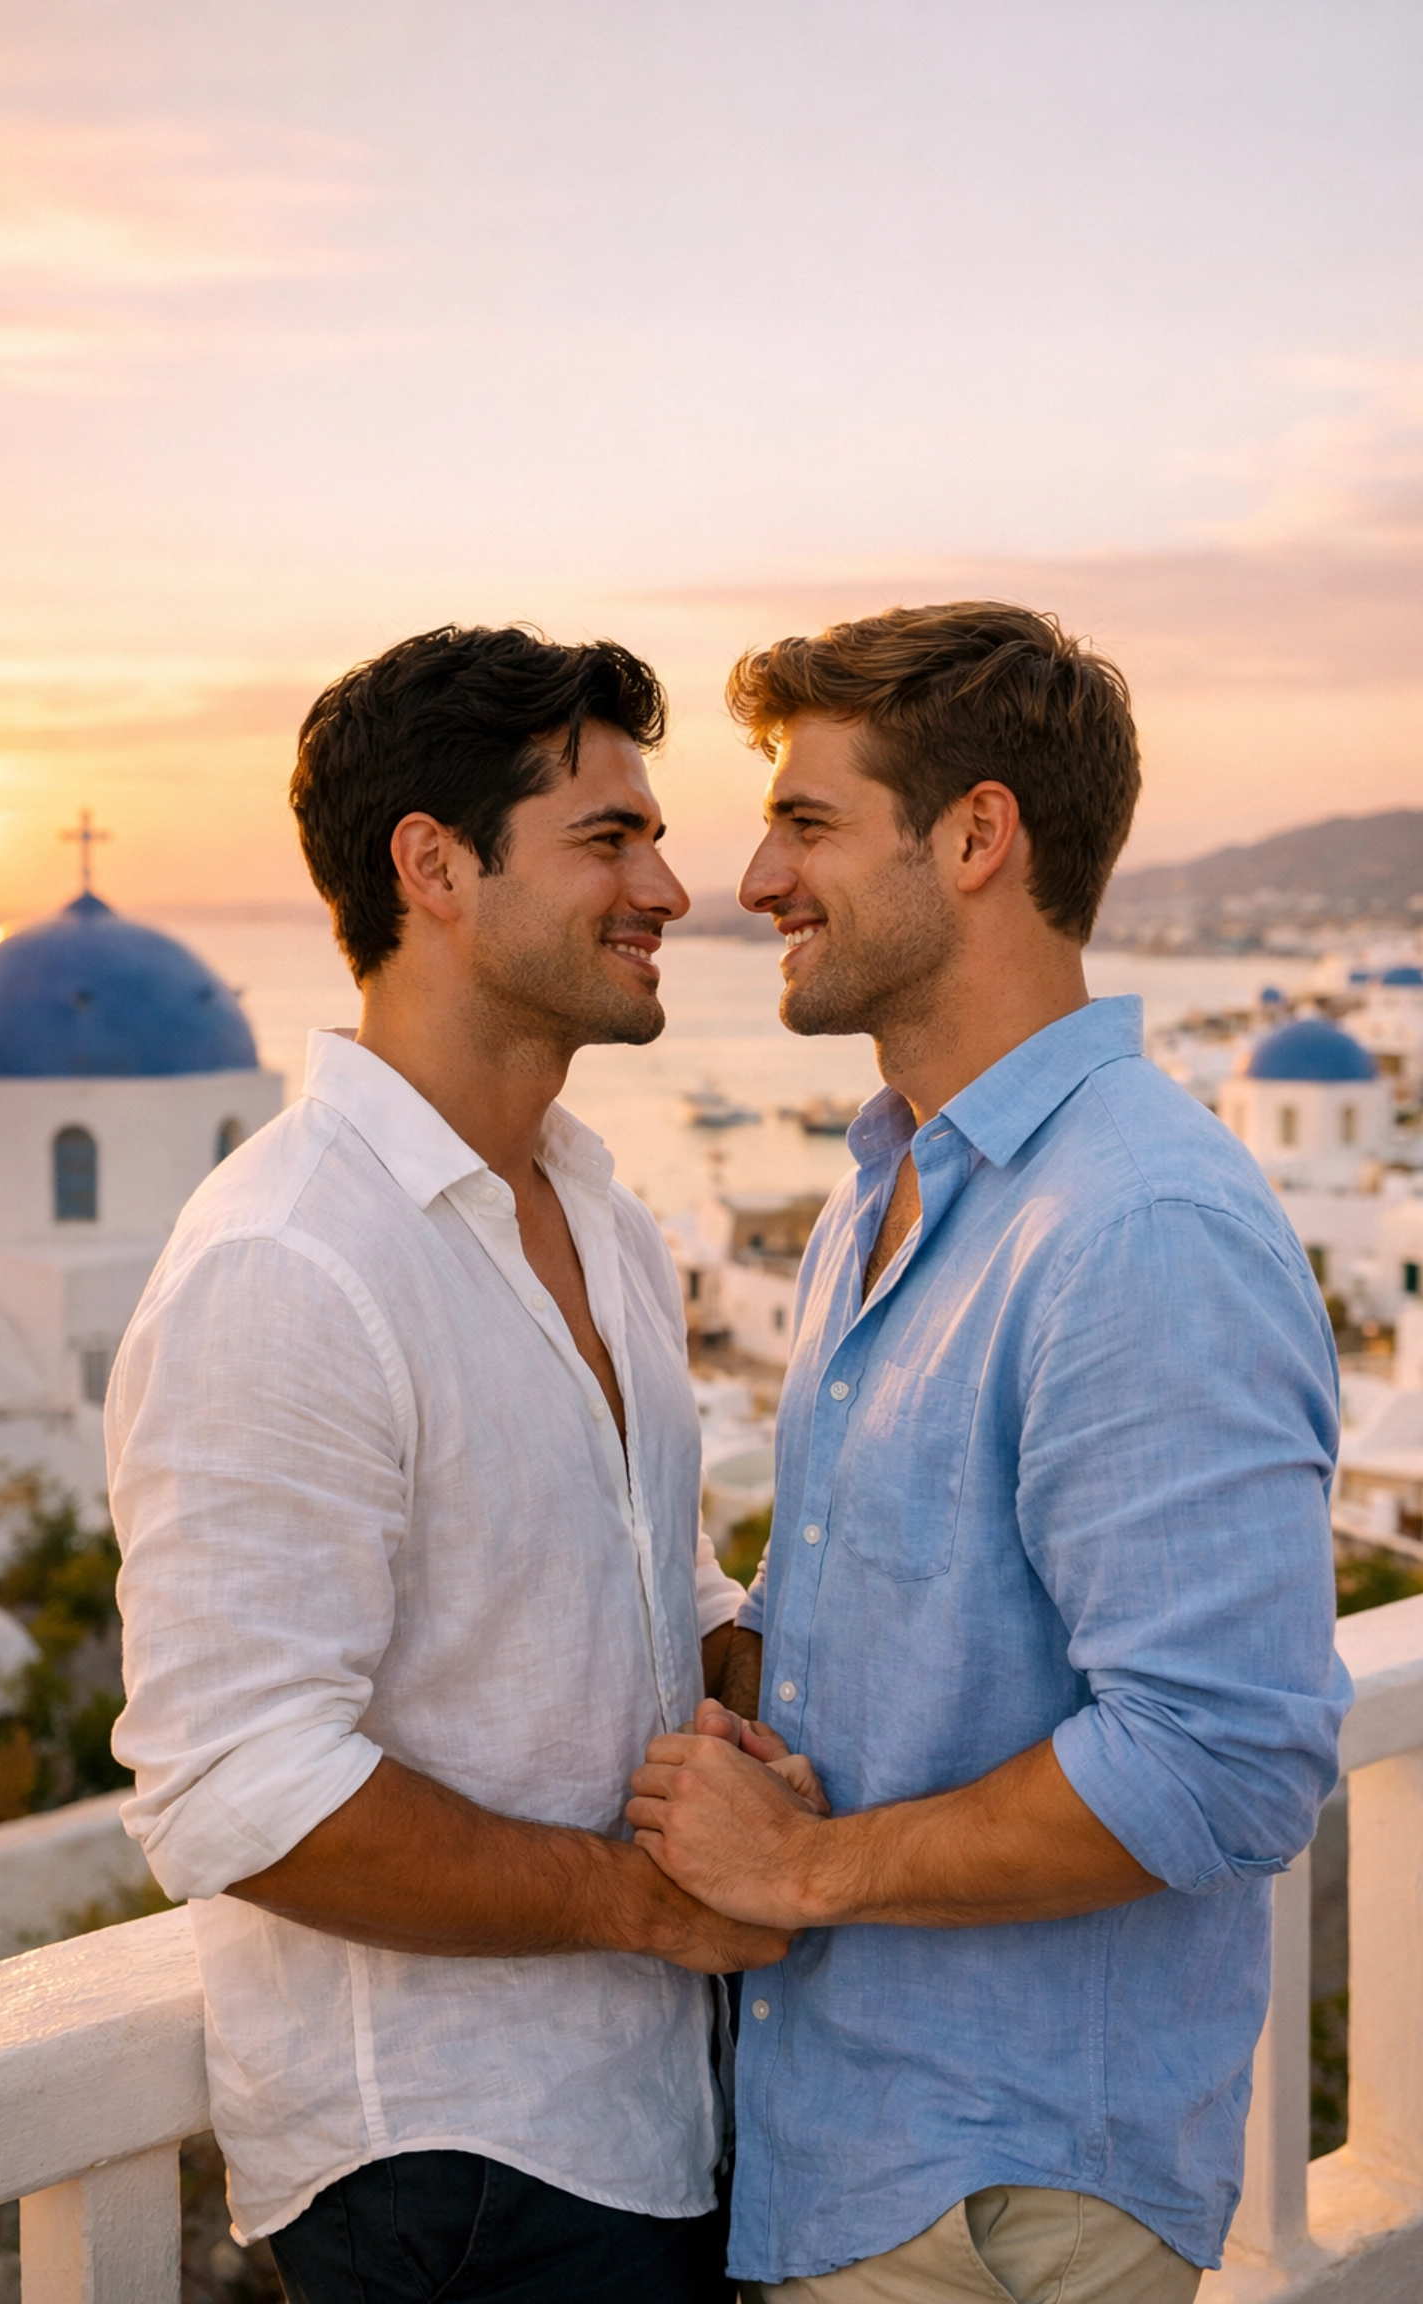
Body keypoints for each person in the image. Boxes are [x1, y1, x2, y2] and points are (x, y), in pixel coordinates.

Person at [625, 603, 1351, 2303]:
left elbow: (1223, 1757)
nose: (756, 880)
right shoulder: (886, 1193)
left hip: (1004, 2206)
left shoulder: (1138, 1226)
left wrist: (804, 1867)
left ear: (975, 837)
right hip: (859, 2162)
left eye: (806, 823)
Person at [107, 623, 796, 2304]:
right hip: (449, 2173)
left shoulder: (601, 1217)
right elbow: (241, 1783)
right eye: (608, 838)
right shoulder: (289, 1258)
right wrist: (648, 1907)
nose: (669, 889)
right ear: (433, 867)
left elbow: (663, 1596)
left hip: (655, 2117)